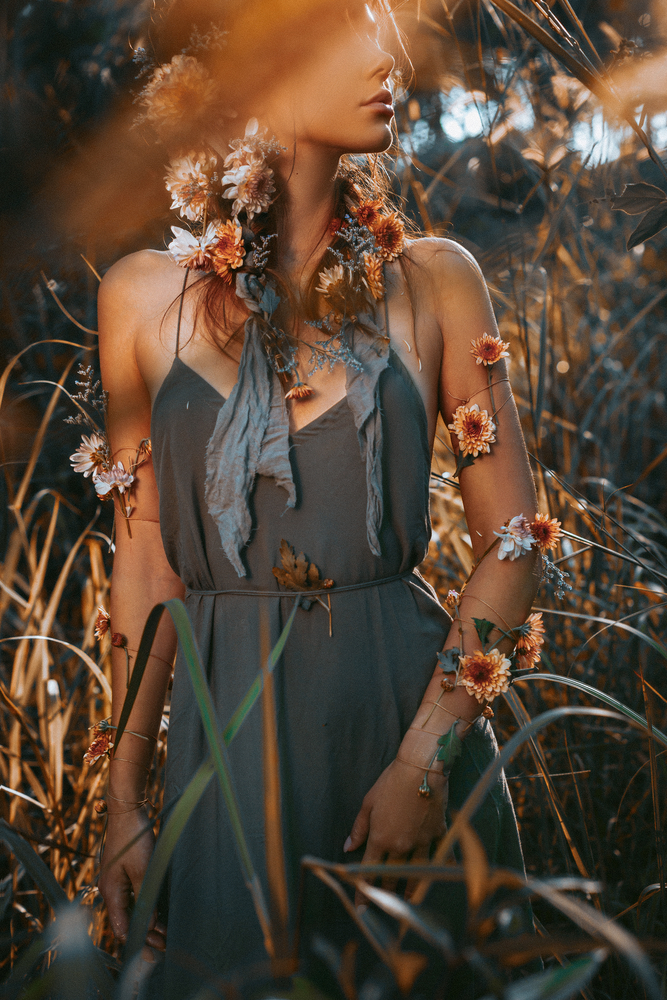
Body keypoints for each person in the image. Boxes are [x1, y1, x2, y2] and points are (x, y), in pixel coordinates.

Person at [94, 1, 540, 995]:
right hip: (228, 759)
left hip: (400, 726)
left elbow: (514, 541)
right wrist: (123, 797)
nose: (386, 56)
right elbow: (149, 563)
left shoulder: (434, 281)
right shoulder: (138, 300)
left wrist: (426, 757)